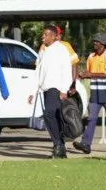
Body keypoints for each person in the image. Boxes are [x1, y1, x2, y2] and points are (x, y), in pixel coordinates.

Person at [30, 24, 74, 158]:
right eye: (43, 34)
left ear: (54, 37)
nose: (43, 37)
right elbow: (38, 72)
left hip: (56, 88)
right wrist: (33, 91)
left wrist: (64, 89)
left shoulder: (61, 50)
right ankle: (60, 148)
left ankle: (58, 145)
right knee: (53, 117)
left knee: (49, 114)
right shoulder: (43, 51)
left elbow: (66, 70)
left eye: (46, 35)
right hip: (45, 89)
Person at [76, 32, 106, 154]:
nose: (94, 43)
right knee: (91, 119)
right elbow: (90, 72)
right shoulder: (91, 57)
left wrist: (90, 74)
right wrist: (83, 75)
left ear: (102, 44)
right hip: (95, 94)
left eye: (97, 41)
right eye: (94, 41)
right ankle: (85, 144)